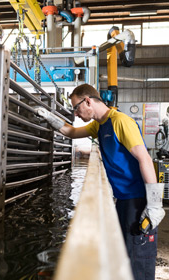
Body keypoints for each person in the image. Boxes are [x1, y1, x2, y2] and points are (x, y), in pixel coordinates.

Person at [35, 84, 165, 280]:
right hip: (123, 199)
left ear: (88, 101)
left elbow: (144, 159)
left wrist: (155, 204)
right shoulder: (100, 125)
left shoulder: (121, 121)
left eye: (76, 108)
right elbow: (71, 132)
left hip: (138, 200)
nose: (76, 114)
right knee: (127, 255)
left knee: (139, 258)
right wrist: (48, 116)